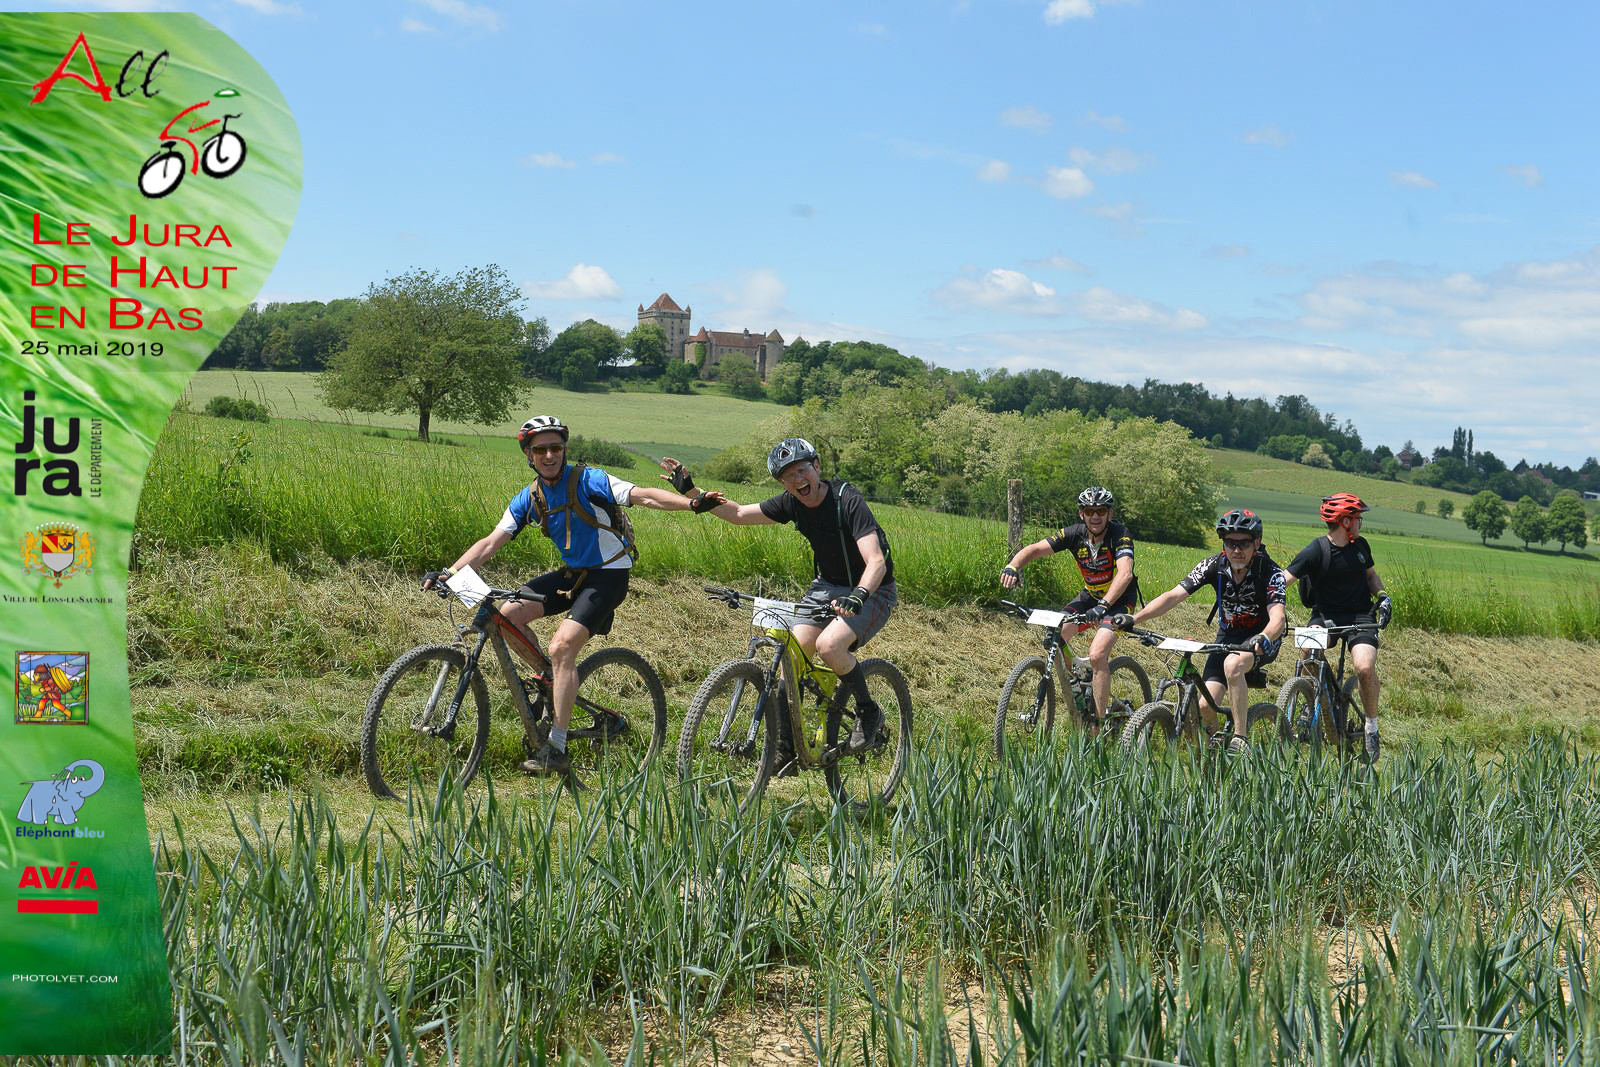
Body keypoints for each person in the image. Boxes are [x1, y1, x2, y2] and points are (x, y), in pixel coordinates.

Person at [424, 415, 705, 776]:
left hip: (608, 576)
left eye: (556, 447)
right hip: (573, 575)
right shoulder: (531, 497)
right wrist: (450, 572)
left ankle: (556, 747)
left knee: (561, 647)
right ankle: (549, 677)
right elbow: (492, 542)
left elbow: (643, 495)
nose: (549, 455)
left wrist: (690, 503)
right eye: (540, 449)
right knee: (506, 615)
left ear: (564, 450)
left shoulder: (589, 480)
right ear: (529, 454)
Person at [659, 438, 896, 766]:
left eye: (801, 470)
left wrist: (859, 595)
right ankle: (785, 750)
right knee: (791, 659)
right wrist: (691, 492)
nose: (797, 480)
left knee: (829, 646)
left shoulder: (847, 500)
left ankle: (868, 712)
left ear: (816, 467)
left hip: (872, 588)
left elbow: (876, 561)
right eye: (787, 476)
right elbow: (738, 513)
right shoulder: (791, 503)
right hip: (828, 586)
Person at [1112, 509, 1287, 753]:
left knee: (1233, 665)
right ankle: (1214, 755)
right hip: (1228, 636)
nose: (1236, 550)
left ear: (1256, 543)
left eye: (1244, 544)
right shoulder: (1212, 565)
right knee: (1205, 707)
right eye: (1230, 543)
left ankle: (1240, 739)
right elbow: (1173, 596)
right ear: (1223, 543)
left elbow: (1278, 617)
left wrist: (1265, 636)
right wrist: (1135, 618)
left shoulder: (1271, 572)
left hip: (1262, 637)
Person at [999, 486, 1138, 726]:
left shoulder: (1120, 534)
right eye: (1089, 511)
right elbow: (1036, 548)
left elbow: (1125, 573)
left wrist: (1103, 606)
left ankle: (1097, 725)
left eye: (1101, 511)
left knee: (1097, 654)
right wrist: (1014, 565)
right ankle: (1080, 679)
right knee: (1055, 634)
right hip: (1090, 595)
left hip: (1118, 601)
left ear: (1110, 513)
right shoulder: (1074, 533)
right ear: (1081, 514)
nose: (1095, 516)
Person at [1284, 493, 1392, 762]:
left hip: (1360, 616)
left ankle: (1371, 727)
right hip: (1326, 616)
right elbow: (1284, 580)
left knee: (1364, 668)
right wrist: (1270, 606)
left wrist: (1382, 596)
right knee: (1308, 652)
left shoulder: (1361, 546)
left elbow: (1371, 576)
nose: (1359, 523)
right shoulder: (1316, 550)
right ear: (1345, 522)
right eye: (1357, 518)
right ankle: (1313, 698)